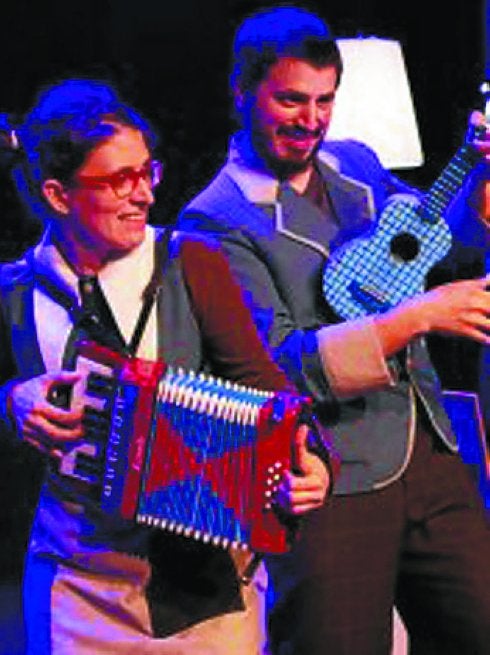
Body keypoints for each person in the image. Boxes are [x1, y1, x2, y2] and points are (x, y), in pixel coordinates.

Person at [177, 5, 490, 654]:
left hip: (427, 449)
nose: (311, 119)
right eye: (291, 99)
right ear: (242, 92)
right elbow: (275, 363)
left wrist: (480, 180)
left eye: (324, 100)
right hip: (330, 473)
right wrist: (417, 317)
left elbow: (434, 245)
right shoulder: (216, 221)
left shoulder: (356, 165)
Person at [0, 78, 337, 655]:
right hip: (76, 585)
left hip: (205, 591)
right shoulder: (14, 294)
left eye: (147, 173)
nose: (144, 195)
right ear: (58, 195)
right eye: (120, 180)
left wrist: (316, 462)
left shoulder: (190, 263)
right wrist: (10, 402)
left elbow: (266, 386)